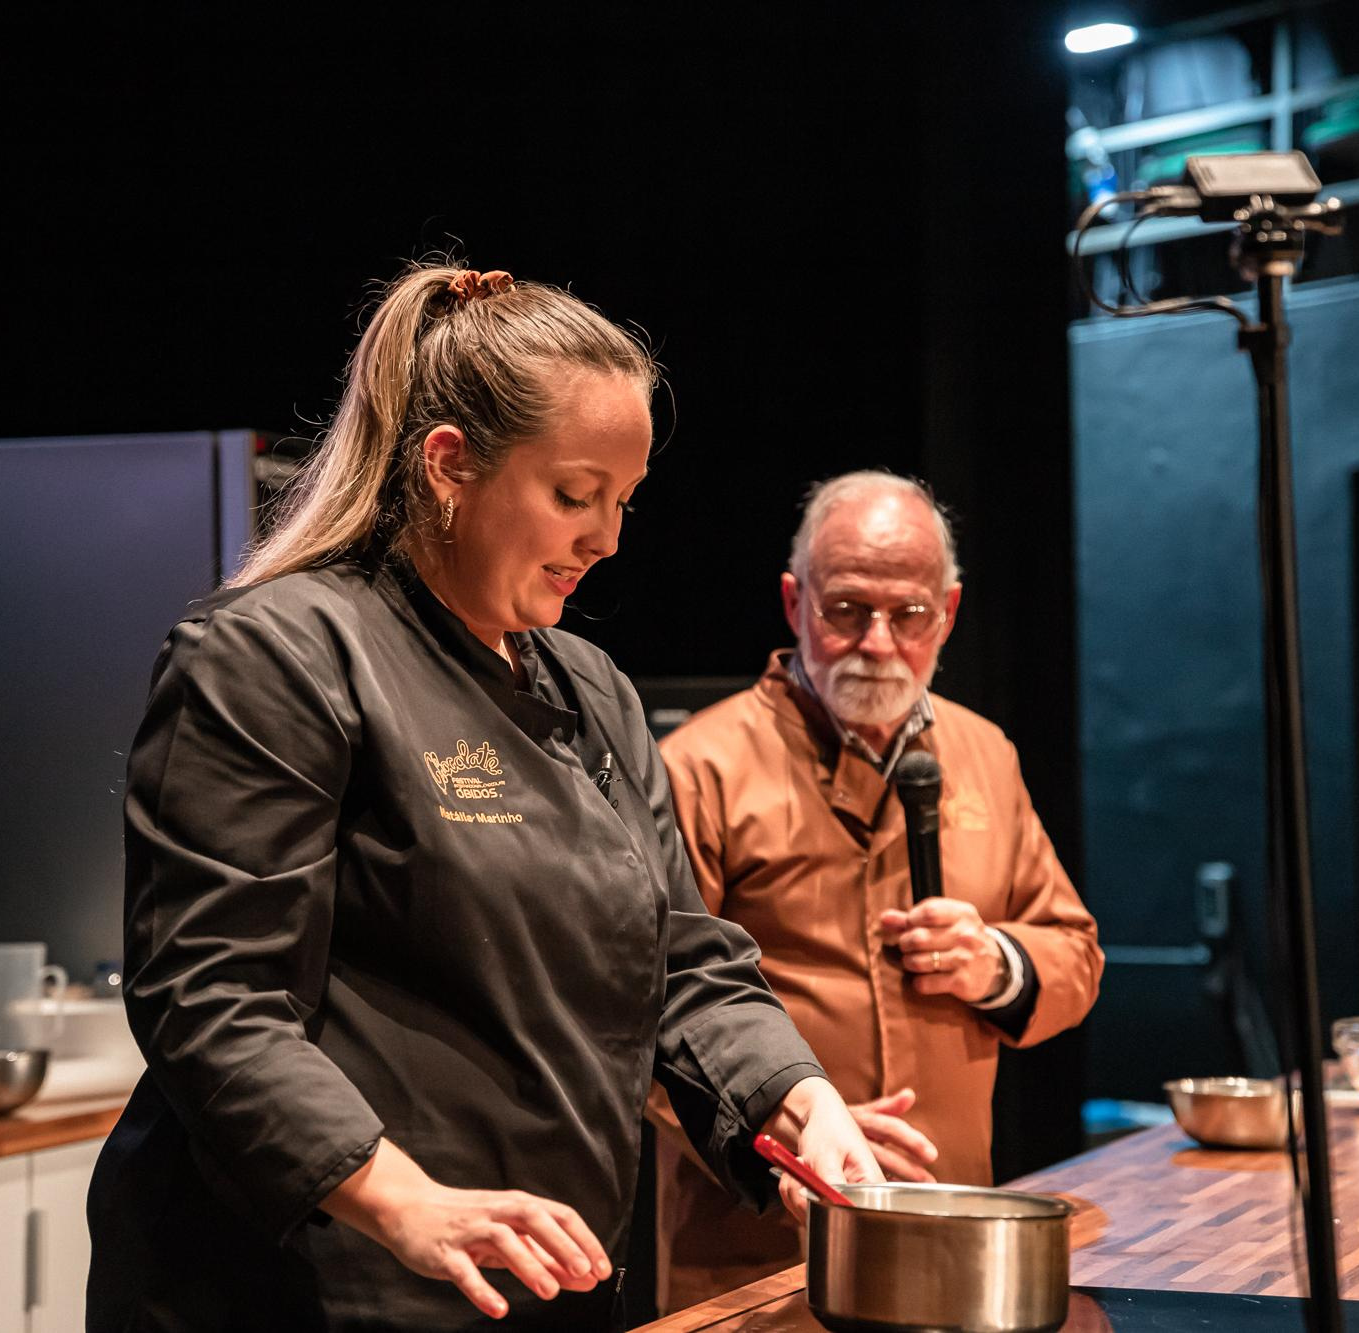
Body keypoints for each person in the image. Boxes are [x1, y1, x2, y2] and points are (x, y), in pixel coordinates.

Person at [86, 265, 886, 1332]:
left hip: (544, 1280)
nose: (607, 538)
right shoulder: (275, 655)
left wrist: (796, 1101)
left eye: (621, 501)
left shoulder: (589, 689)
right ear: (449, 465)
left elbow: (683, 963)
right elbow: (213, 1002)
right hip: (317, 1287)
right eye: (573, 495)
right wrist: (401, 1198)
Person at [646, 470, 1105, 1312]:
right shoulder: (697, 769)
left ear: (951, 613)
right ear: (795, 602)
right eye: (847, 610)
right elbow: (643, 1020)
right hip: (758, 1253)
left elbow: (1074, 951)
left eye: (910, 615)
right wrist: (792, 1119)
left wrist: (998, 963)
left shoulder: (985, 752)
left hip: (957, 1237)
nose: (878, 643)